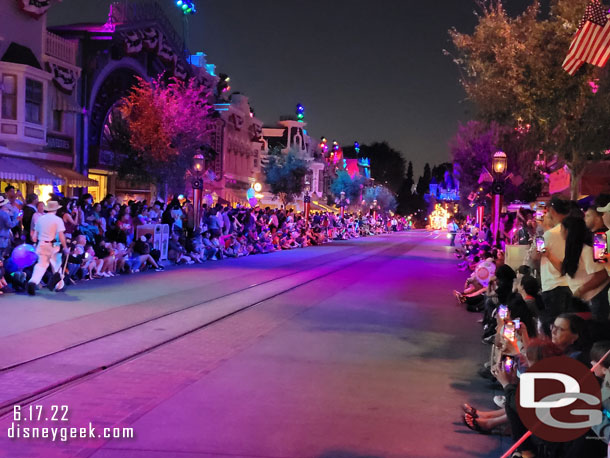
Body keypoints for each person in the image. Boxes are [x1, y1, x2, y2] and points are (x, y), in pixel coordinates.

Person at [544, 216, 610, 321]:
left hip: (596, 298)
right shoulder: (574, 248)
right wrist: (548, 255)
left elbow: (602, 275)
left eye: (562, 228)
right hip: (587, 300)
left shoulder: (587, 249)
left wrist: (580, 290)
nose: (560, 231)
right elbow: (566, 270)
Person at [538, 196, 572, 319]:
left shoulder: (549, 234)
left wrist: (542, 231)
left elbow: (535, 256)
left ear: (552, 211)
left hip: (553, 285)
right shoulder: (573, 229)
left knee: (554, 326)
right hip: (570, 284)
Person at [27, 200, 69, 295]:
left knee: (41, 265)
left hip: (42, 244)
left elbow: (34, 236)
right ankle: (59, 285)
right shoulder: (57, 220)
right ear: (56, 209)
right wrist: (65, 247)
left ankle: (33, 281)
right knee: (57, 265)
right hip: (53, 245)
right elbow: (61, 235)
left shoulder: (40, 219)